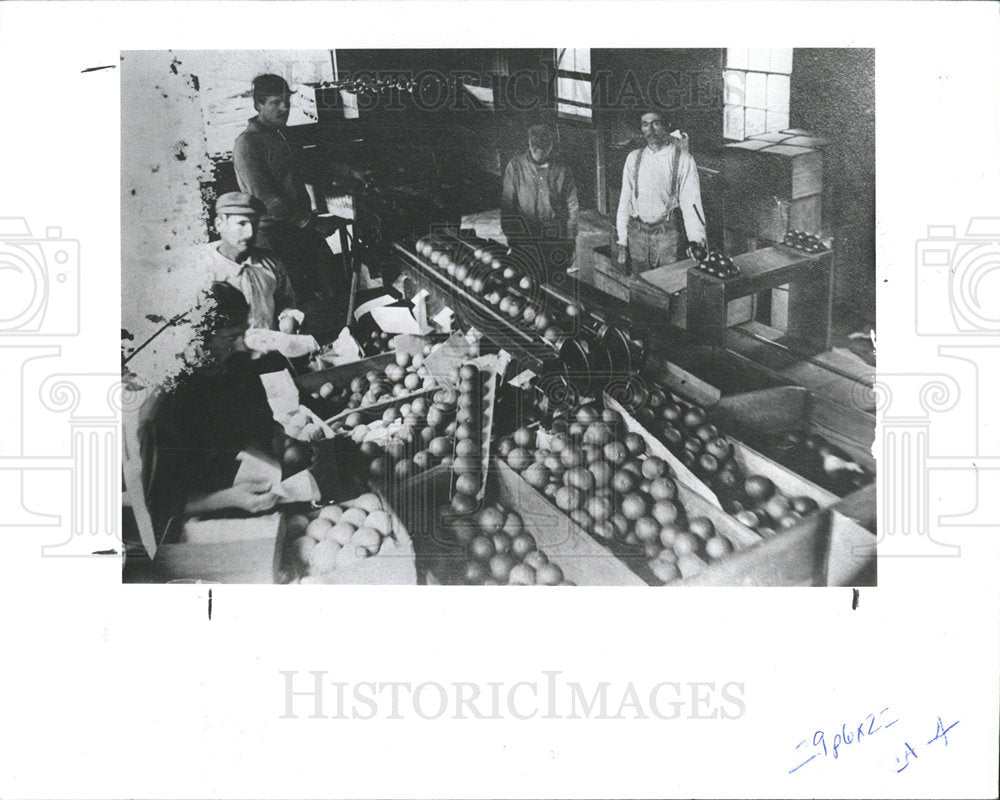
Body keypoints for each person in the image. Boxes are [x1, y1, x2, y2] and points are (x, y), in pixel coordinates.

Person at [139, 282, 284, 537]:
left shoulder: (237, 365)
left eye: (244, 333)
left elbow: (261, 426)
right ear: (195, 341)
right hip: (196, 522)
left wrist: (281, 442)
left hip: (252, 489)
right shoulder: (163, 407)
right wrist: (227, 499)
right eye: (230, 338)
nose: (242, 346)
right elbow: (157, 505)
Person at [233, 74, 366, 313]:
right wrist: (311, 223)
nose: (284, 108)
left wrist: (352, 172)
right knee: (297, 305)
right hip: (273, 237)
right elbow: (267, 200)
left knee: (333, 291)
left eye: (287, 100)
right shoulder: (247, 144)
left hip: (299, 229)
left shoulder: (281, 135)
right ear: (258, 104)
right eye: (275, 102)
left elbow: (311, 166)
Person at [615, 111, 707, 276]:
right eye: (645, 124)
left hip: (668, 236)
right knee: (640, 287)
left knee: (667, 286)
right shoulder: (633, 158)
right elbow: (624, 201)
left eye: (656, 123)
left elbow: (691, 204)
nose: (650, 130)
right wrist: (622, 240)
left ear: (667, 126)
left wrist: (696, 241)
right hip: (637, 235)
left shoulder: (683, 159)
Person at [201, 191, 302, 333]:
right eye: (242, 224)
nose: (249, 233)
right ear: (219, 224)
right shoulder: (201, 270)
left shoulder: (271, 263)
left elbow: (285, 302)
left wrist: (287, 317)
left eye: (254, 225)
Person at [501, 124, 579, 284]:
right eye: (535, 147)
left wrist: (570, 239)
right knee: (525, 278)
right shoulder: (515, 167)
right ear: (529, 145)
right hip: (526, 231)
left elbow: (572, 205)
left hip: (554, 231)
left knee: (555, 277)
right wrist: (512, 238)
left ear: (551, 146)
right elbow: (508, 205)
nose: (539, 152)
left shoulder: (562, 169)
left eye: (544, 149)